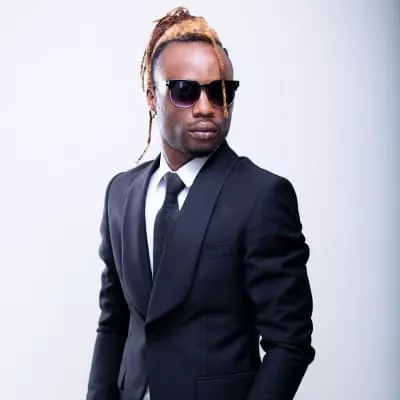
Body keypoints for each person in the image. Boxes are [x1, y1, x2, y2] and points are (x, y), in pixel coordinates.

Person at [87, 6, 315, 400]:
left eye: (220, 92)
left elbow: (289, 342)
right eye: (185, 91)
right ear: (152, 97)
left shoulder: (261, 196)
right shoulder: (121, 194)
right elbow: (114, 322)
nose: (207, 107)